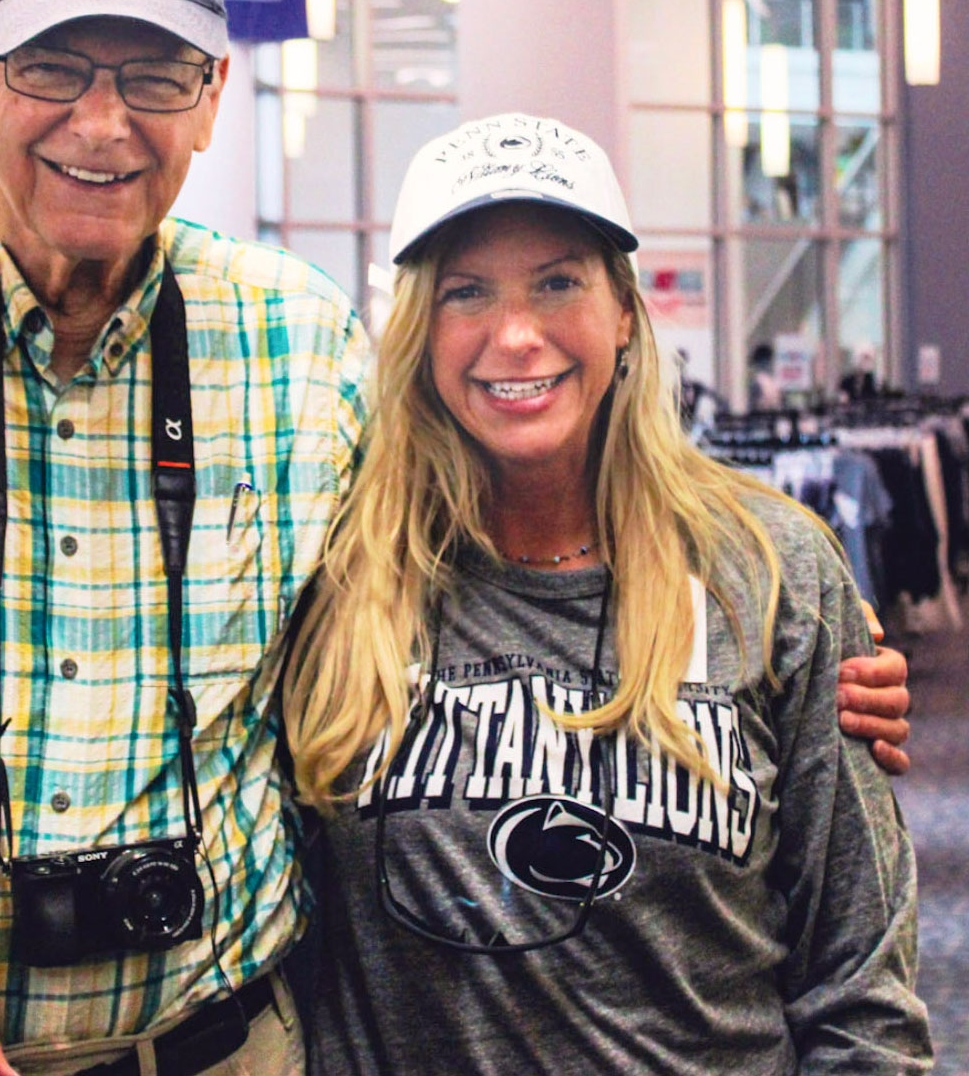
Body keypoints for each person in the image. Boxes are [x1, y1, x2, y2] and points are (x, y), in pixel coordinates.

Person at [0, 0, 911, 1076]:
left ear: (212, 99)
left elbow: (518, 510)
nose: (101, 122)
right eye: (54, 63)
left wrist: (804, 654)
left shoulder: (301, 347)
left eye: (155, 73)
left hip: (231, 1047)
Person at [283, 113, 932, 1073]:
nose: (515, 333)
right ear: (419, 331)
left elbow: (861, 985)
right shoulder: (337, 570)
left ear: (623, 311)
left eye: (557, 281)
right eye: (467, 292)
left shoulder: (770, 569)